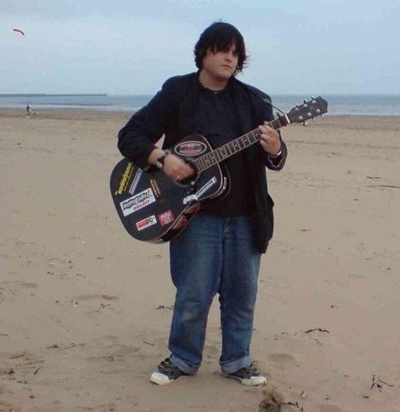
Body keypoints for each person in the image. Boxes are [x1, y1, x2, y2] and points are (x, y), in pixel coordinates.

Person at [117, 21, 287, 386]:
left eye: (236, 52)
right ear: (204, 52)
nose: (231, 57)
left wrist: (275, 149)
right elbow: (130, 136)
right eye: (223, 49)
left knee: (242, 295)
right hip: (192, 213)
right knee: (193, 294)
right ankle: (183, 357)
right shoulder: (177, 92)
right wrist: (162, 159)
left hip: (246, 214)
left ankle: (238, 360)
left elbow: (276, 158)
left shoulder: (254, 101)